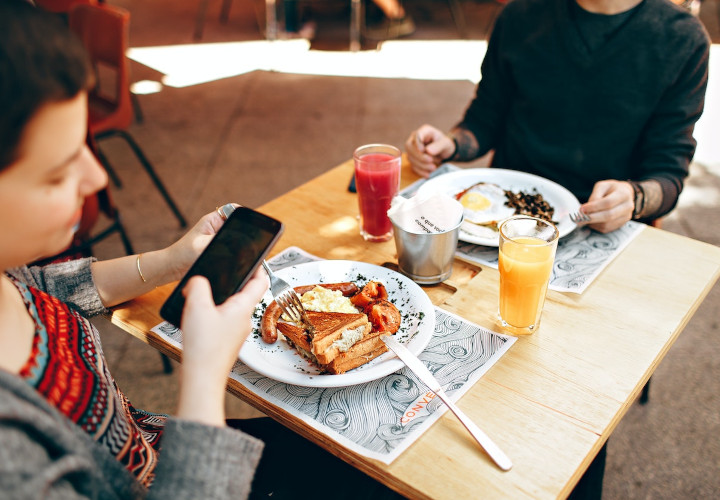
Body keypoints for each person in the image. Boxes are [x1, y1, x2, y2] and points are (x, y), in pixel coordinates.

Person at [0, 3, 406, 499]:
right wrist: (205, 373)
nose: (97, 178)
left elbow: (47, 289)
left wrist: (173, 260)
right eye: (57, 171)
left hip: (158, 443)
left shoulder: (8, 274)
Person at [405, 0, 710, 234]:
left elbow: (668, 175)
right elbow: (484, 119)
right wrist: (452, 143)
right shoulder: (520, 15)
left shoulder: (683, 39)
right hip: (504, 216)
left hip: (600, 226)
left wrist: (634, 197)